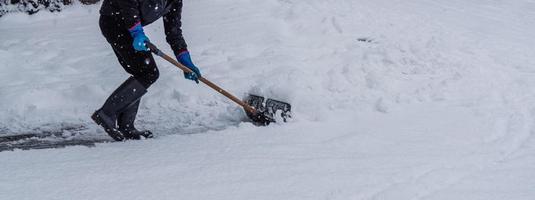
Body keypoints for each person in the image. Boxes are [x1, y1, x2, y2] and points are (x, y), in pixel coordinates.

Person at [92, 0, 201, 141]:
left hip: (127, 27)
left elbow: (173, 31)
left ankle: (126, 126)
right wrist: (136, 32)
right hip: (114, 23)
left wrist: (184, 59)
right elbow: (128, 4)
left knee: (143, 72)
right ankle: (107, 113)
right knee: (148, 72)